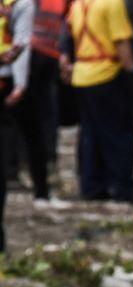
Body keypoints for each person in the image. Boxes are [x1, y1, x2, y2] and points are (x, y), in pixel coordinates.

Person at [61, 0, 133, 202]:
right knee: (119, 134)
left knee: (90, 134)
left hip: (83, 75)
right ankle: (122, 187)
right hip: (108, 74)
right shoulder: (113, 3)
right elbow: (121, 42)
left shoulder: (78, 5)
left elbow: (67, 38)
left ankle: (91, 186)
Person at [1, 0, 50, 210]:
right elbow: (22, 44)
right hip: (10, 79)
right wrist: (21, 85)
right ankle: (41, 192)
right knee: (33, 135)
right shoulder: (22, 4)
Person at [30, 0, 66, 182]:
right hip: (49, 53)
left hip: (34, 53)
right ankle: (48, 161)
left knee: (34, 113)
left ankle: (34, 164)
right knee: (46, 111)